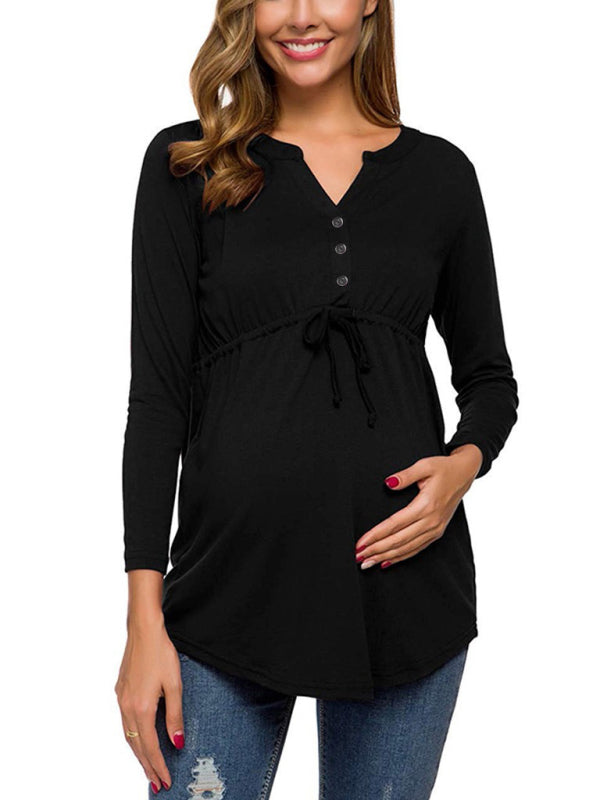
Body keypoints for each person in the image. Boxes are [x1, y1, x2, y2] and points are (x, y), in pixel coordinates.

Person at [114, 0, 519, 797]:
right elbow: (156, 400)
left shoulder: (442, 176)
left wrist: (459, 470)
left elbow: (490, 379)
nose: (301, 16)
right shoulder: (189, 163)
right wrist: (142, 620)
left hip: (406, 603)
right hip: (223, 603)